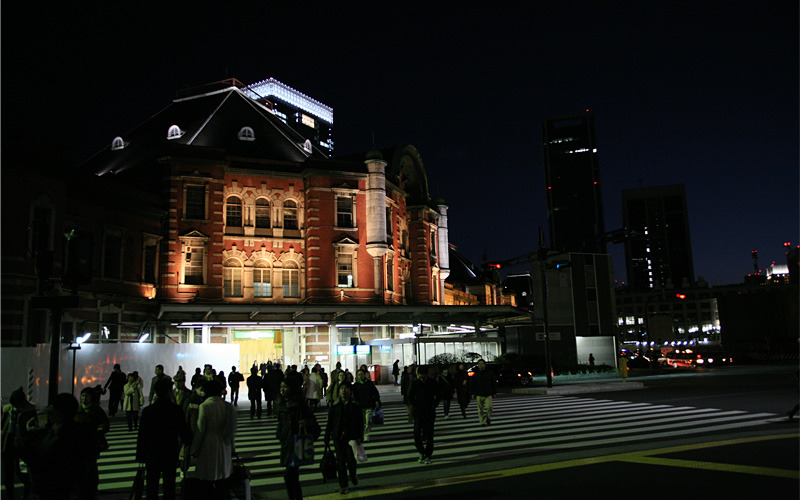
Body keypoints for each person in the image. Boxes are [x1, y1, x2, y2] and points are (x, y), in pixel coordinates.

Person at [20, 393, 92, 499]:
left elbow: (48, 462)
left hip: (58, 488)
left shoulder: (67, 435)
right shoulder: (57, 428)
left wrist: (25, 451)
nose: (51, 414)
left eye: (54, 410)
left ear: (62, 412)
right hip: (58, 487)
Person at [137, 378, 191, 500]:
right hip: (170, 452)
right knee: (169, 486)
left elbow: (142, 435)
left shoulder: (148, 411)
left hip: (152, 454)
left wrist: (141, 455)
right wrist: (189, 442)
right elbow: (184, 432)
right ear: (168, 392)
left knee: (152, 485)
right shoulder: (176, 410)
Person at [190, 379, 236, 499]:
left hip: (208, 444)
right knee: (223, 478)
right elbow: (232, 429)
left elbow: (200, 430)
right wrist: (232, 447)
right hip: (224, 444)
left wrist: (194, 449)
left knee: (207, 477)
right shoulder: (228, 406)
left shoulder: (205, 406)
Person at [274, 378, 314, 500]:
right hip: (286, 441)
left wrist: (306, 423)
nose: (282, 389)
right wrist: (280, 434)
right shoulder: (280, 402)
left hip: (297, 441)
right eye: (281, 387)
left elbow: (312, 420)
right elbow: (280, 422)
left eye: (285, 387)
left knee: (289, 474)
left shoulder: (299, 402)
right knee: (292, 475)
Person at [324, 383, 363, 494]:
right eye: (341, 388)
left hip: (351, 437)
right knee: (340, 463)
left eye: (346, 388)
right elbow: (330, 423)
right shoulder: (335, 406)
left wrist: (359, 437)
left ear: (350, 391)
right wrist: (326, 437)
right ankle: (344, 485)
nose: (344, 390)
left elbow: (360, 422)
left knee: (351, 460)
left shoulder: (355, 405)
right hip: (338, 437)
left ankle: (353, 475)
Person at [75, 386, 110, 498]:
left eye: (87, 396)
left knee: (91, 465)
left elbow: (105, 424)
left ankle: (93, 487)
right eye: (83, 396)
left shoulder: (96, 410)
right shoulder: (78, 410)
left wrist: (100, 429)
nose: (84, 398)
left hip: (91, 443)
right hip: (79, 444)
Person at [2, 388, 37, 499]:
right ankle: (10, 496)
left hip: (22, 445)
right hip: (8, 444)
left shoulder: (30, 410)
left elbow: (33, 427)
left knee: (21, 472)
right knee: (8, 474)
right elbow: (2, 426)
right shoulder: (8, 409)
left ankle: (26, 494)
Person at [408, 365, 438, 464]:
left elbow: (438, 394)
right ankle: (421, 452)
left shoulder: (432, 382)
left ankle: (428, 455)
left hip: (429, 411)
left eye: (423, 376)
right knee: (416, 433)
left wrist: (434, 404)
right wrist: (413, 405)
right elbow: (410, 396)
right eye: (420, 376)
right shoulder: (415, 383)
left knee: (429, 435)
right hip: (418, 412)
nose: (421, 377)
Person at [352, 369, 381, 442]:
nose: (360, 376)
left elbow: (375, 392)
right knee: (362, 422)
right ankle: (361, 434)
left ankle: (366, 435)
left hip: (369, 405)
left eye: (361, 374)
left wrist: (377, 400)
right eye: (359, 374)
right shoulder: (356, 385)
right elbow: (353, 396)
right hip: (359, 406)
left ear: (364, 375)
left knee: (368, 421)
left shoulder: (369, 383)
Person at [470, 359, 497, 426]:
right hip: (479, 393)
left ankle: (488, 417)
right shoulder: (475, 373)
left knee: (489, 407)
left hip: (488, 393)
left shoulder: (489, 372)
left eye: (482, 363)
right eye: (479, 364)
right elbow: (472, 383)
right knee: (480, 409)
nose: (480, 365)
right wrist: (472, 393)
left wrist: (494, 392)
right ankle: (482, 421)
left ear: (484, 365)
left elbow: (493, 382)